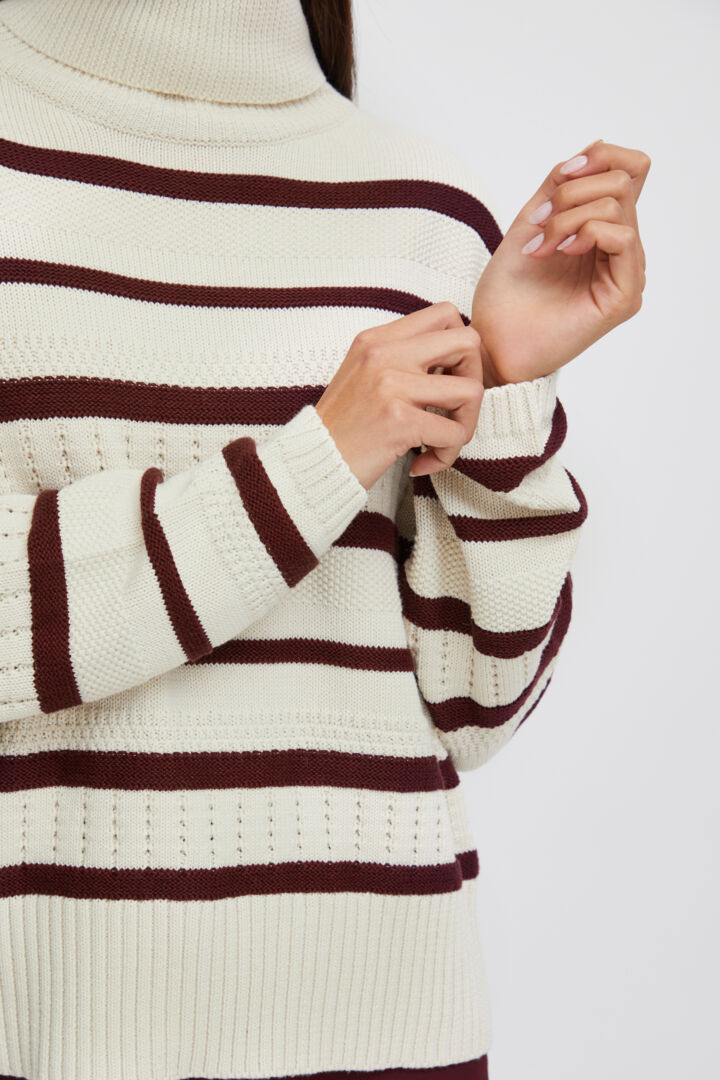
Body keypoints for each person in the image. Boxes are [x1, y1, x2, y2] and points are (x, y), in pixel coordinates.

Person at [0, 2, 649, 1079]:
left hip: (386, 1025)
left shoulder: (424, 211)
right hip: (54, 1026)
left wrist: (506, 386)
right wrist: (322, 458)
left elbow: (475, 703)